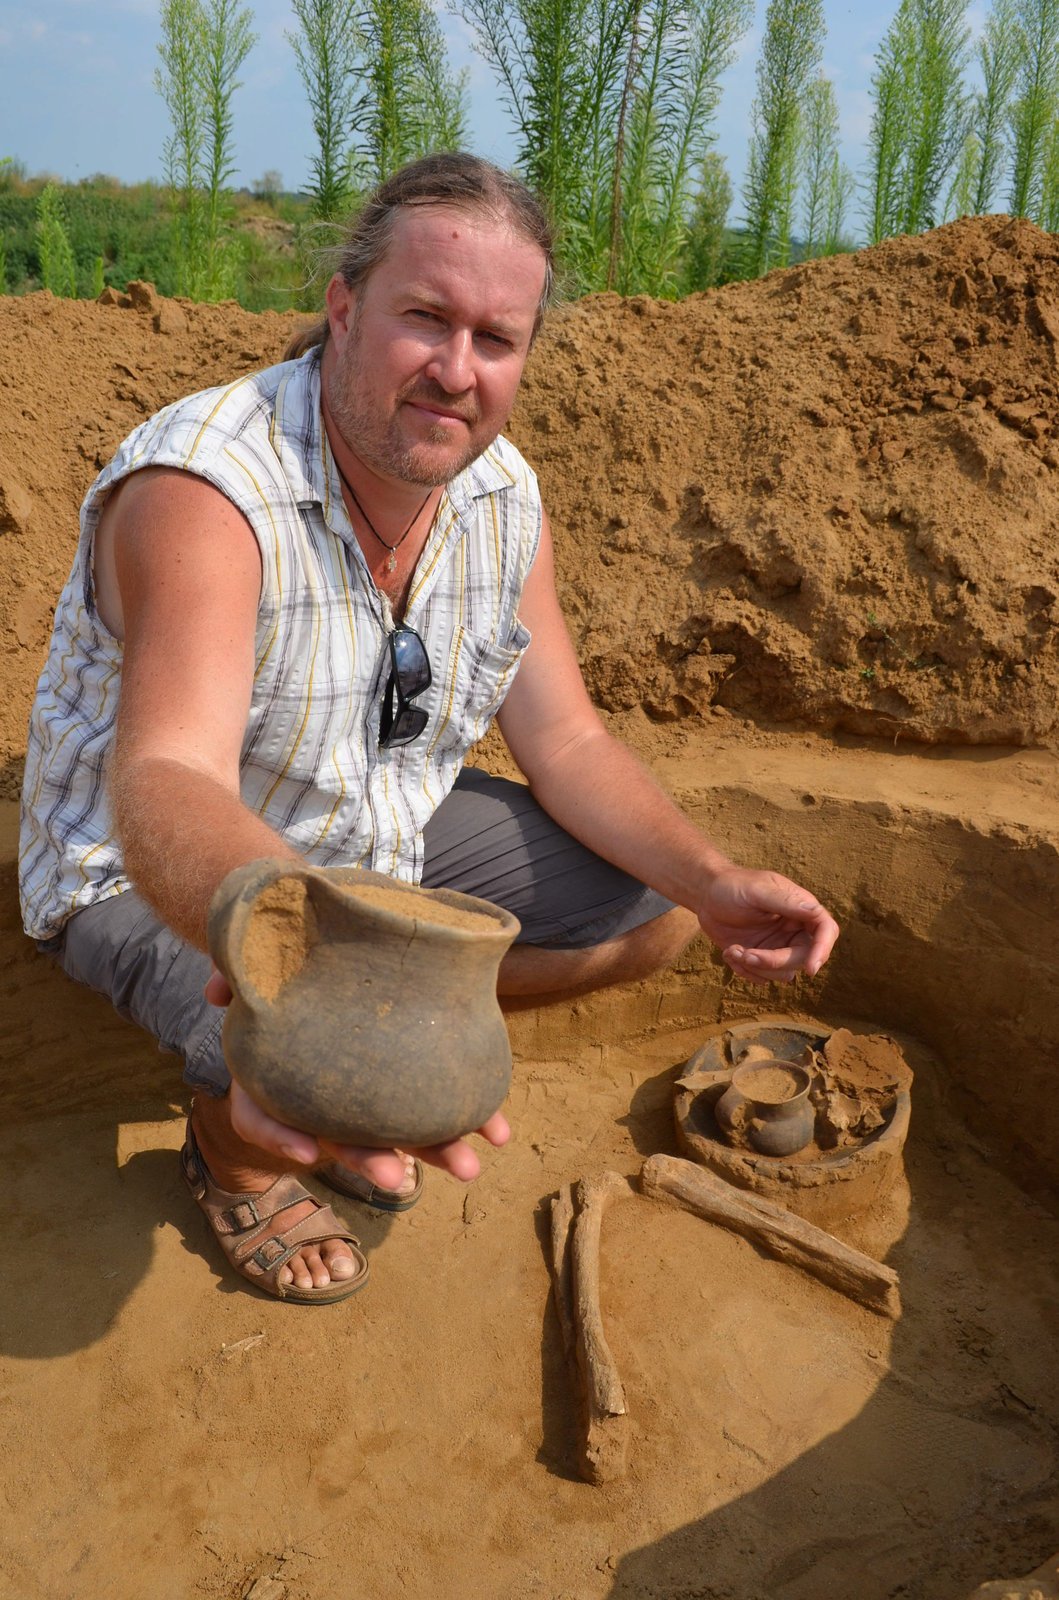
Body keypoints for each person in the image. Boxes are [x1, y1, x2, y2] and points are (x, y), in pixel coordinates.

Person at [19, 154, 839, 1305]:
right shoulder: (208, 491)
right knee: (316, 1051)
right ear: (345, 308)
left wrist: (712, 877)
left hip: (367, 829)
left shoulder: (503, 499)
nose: (457, 371)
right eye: (426, 319)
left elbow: (571, 747)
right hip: (141, 870)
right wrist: (321, 969)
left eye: (496, 340)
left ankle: (375, 1058)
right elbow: (165, 775)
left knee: (657, 914)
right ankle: (238, 1140)